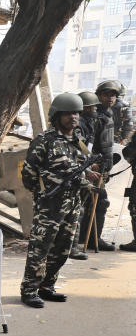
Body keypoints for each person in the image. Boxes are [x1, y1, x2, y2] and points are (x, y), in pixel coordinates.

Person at [19, 93, 101, 308]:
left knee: (63, 249)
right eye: (67, 113)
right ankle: (29, 290)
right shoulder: (44, 140)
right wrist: (41, 191)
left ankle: (47, 286)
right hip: (49, 205)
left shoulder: (79, 142)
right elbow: (28, 173)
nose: (72, 117)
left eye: (75, 113)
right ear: (56, 116)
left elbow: (84, 167)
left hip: (72, 204)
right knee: (40, 248)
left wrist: (90, 176)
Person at [70, 90, 114, 258]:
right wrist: (88, 163)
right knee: (77, 208)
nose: (95, 110)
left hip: (92, 168)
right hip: (80, 170)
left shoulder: (93, 121)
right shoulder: (77, 123)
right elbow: (78, 145)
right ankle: (72, 245)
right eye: (91, 108)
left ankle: (94, 239)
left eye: (95, 107)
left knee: (101, 201)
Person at [95, 80, 134, 145]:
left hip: (116, 139)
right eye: (106, 95)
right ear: (99, 96)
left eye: (112, 95)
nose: (110, 98)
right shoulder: (95, 105)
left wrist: (124, 139)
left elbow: (128, 125)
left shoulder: (124, 107)